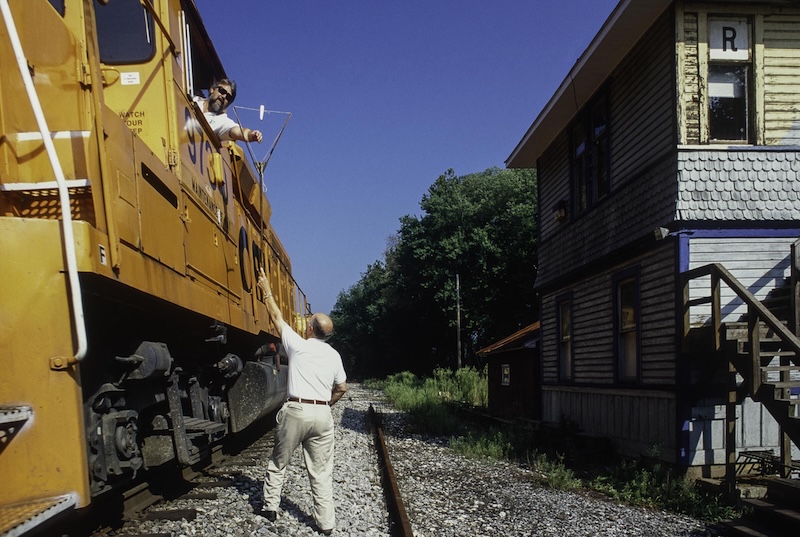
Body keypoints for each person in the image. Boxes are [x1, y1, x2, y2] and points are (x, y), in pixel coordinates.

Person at [257, 268, 348, 535]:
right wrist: (327, 404)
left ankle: (270, 508)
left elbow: (276, 317)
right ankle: (326, 524)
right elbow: (342, 388)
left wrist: (267, 290)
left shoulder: (298, 345)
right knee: (321, 472)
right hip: (322, 414)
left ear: (309, 328)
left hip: (296, 410)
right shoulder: (334, 355)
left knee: (279, 461)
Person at [194, 78, 263, 143]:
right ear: (212, 89)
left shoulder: (222, 121)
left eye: (228, 97)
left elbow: (238, 131)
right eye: (222, 91)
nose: (224, 97)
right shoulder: (194, 99)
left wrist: (251, 135)